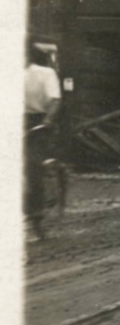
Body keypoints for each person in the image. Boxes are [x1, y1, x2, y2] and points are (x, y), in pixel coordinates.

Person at [25, 44, 62, 236]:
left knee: (32, 165)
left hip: (36, 122)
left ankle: (36, 214)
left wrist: (47, 120)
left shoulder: (44, 73)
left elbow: (55, 100)